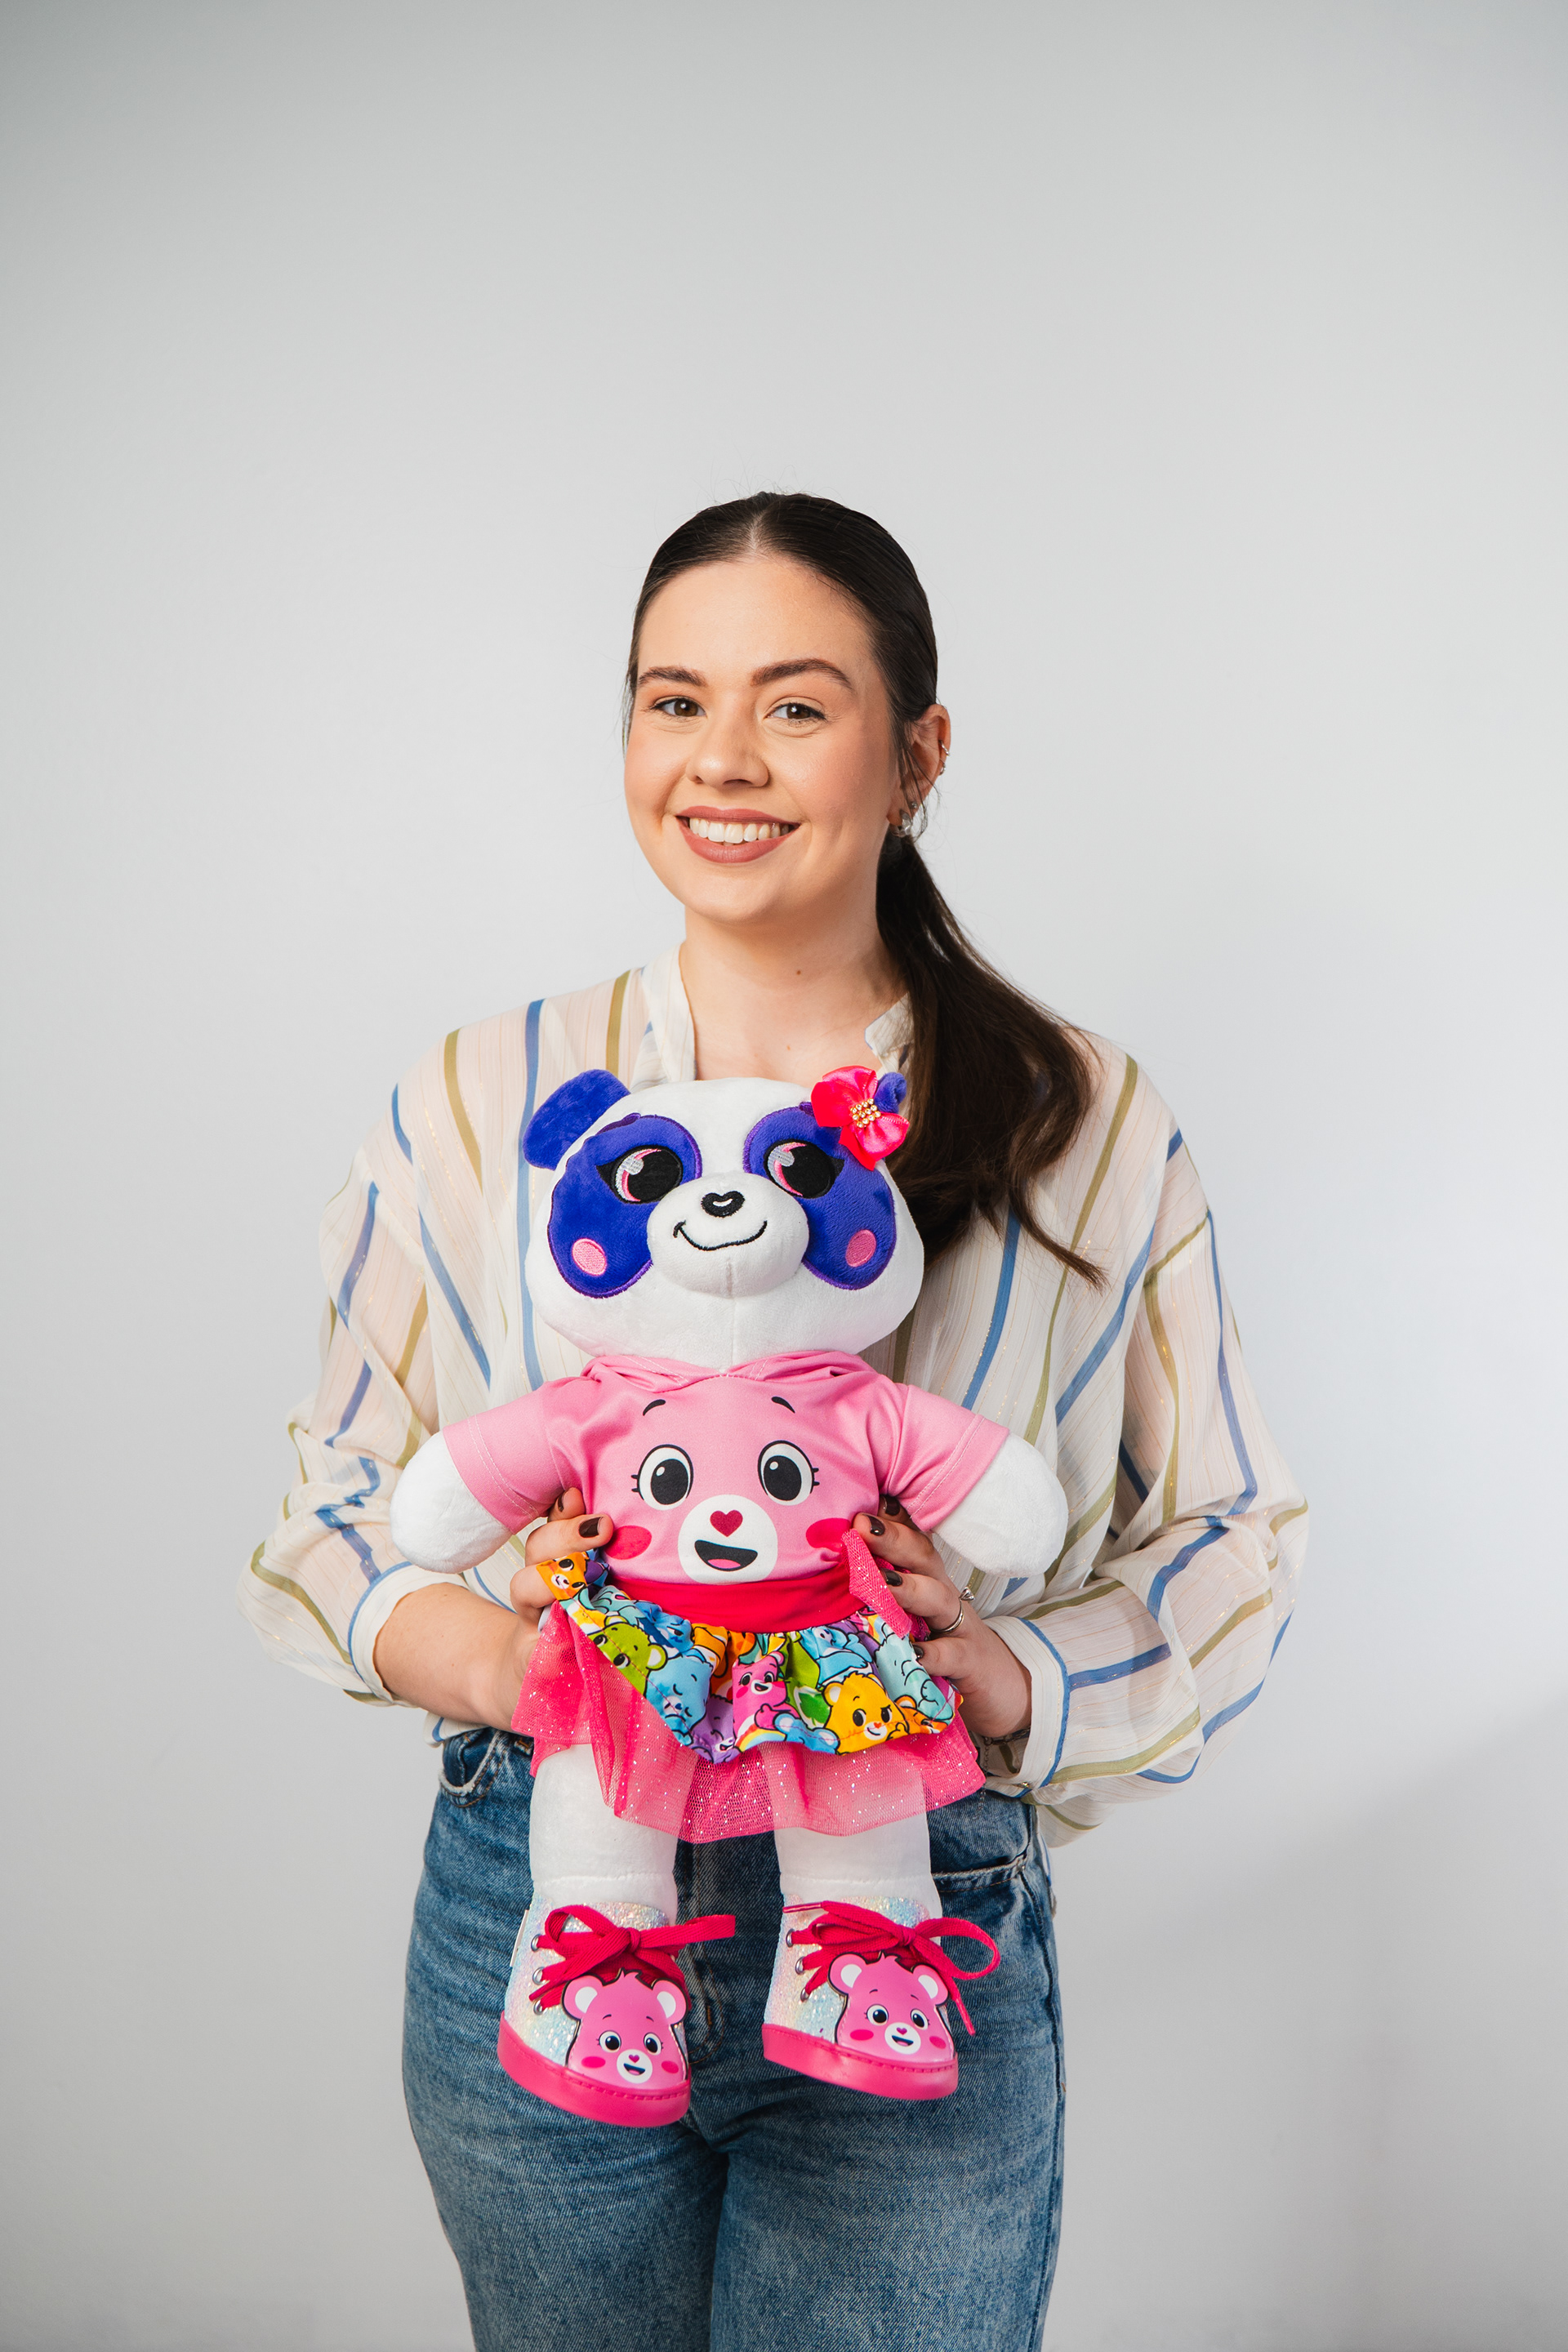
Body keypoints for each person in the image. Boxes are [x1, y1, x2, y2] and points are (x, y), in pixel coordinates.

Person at [241, 492, 1307, 2352]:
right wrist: (503, 1664)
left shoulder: (1075, 1115)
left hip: (907, 1889)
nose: (720, 762)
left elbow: (1232, 1532)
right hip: (551, 1882)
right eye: (674, 702)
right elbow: (332, 1506)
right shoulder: (484, 1098)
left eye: (796, 706)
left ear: (919, 754)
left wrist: (1014, 1678)